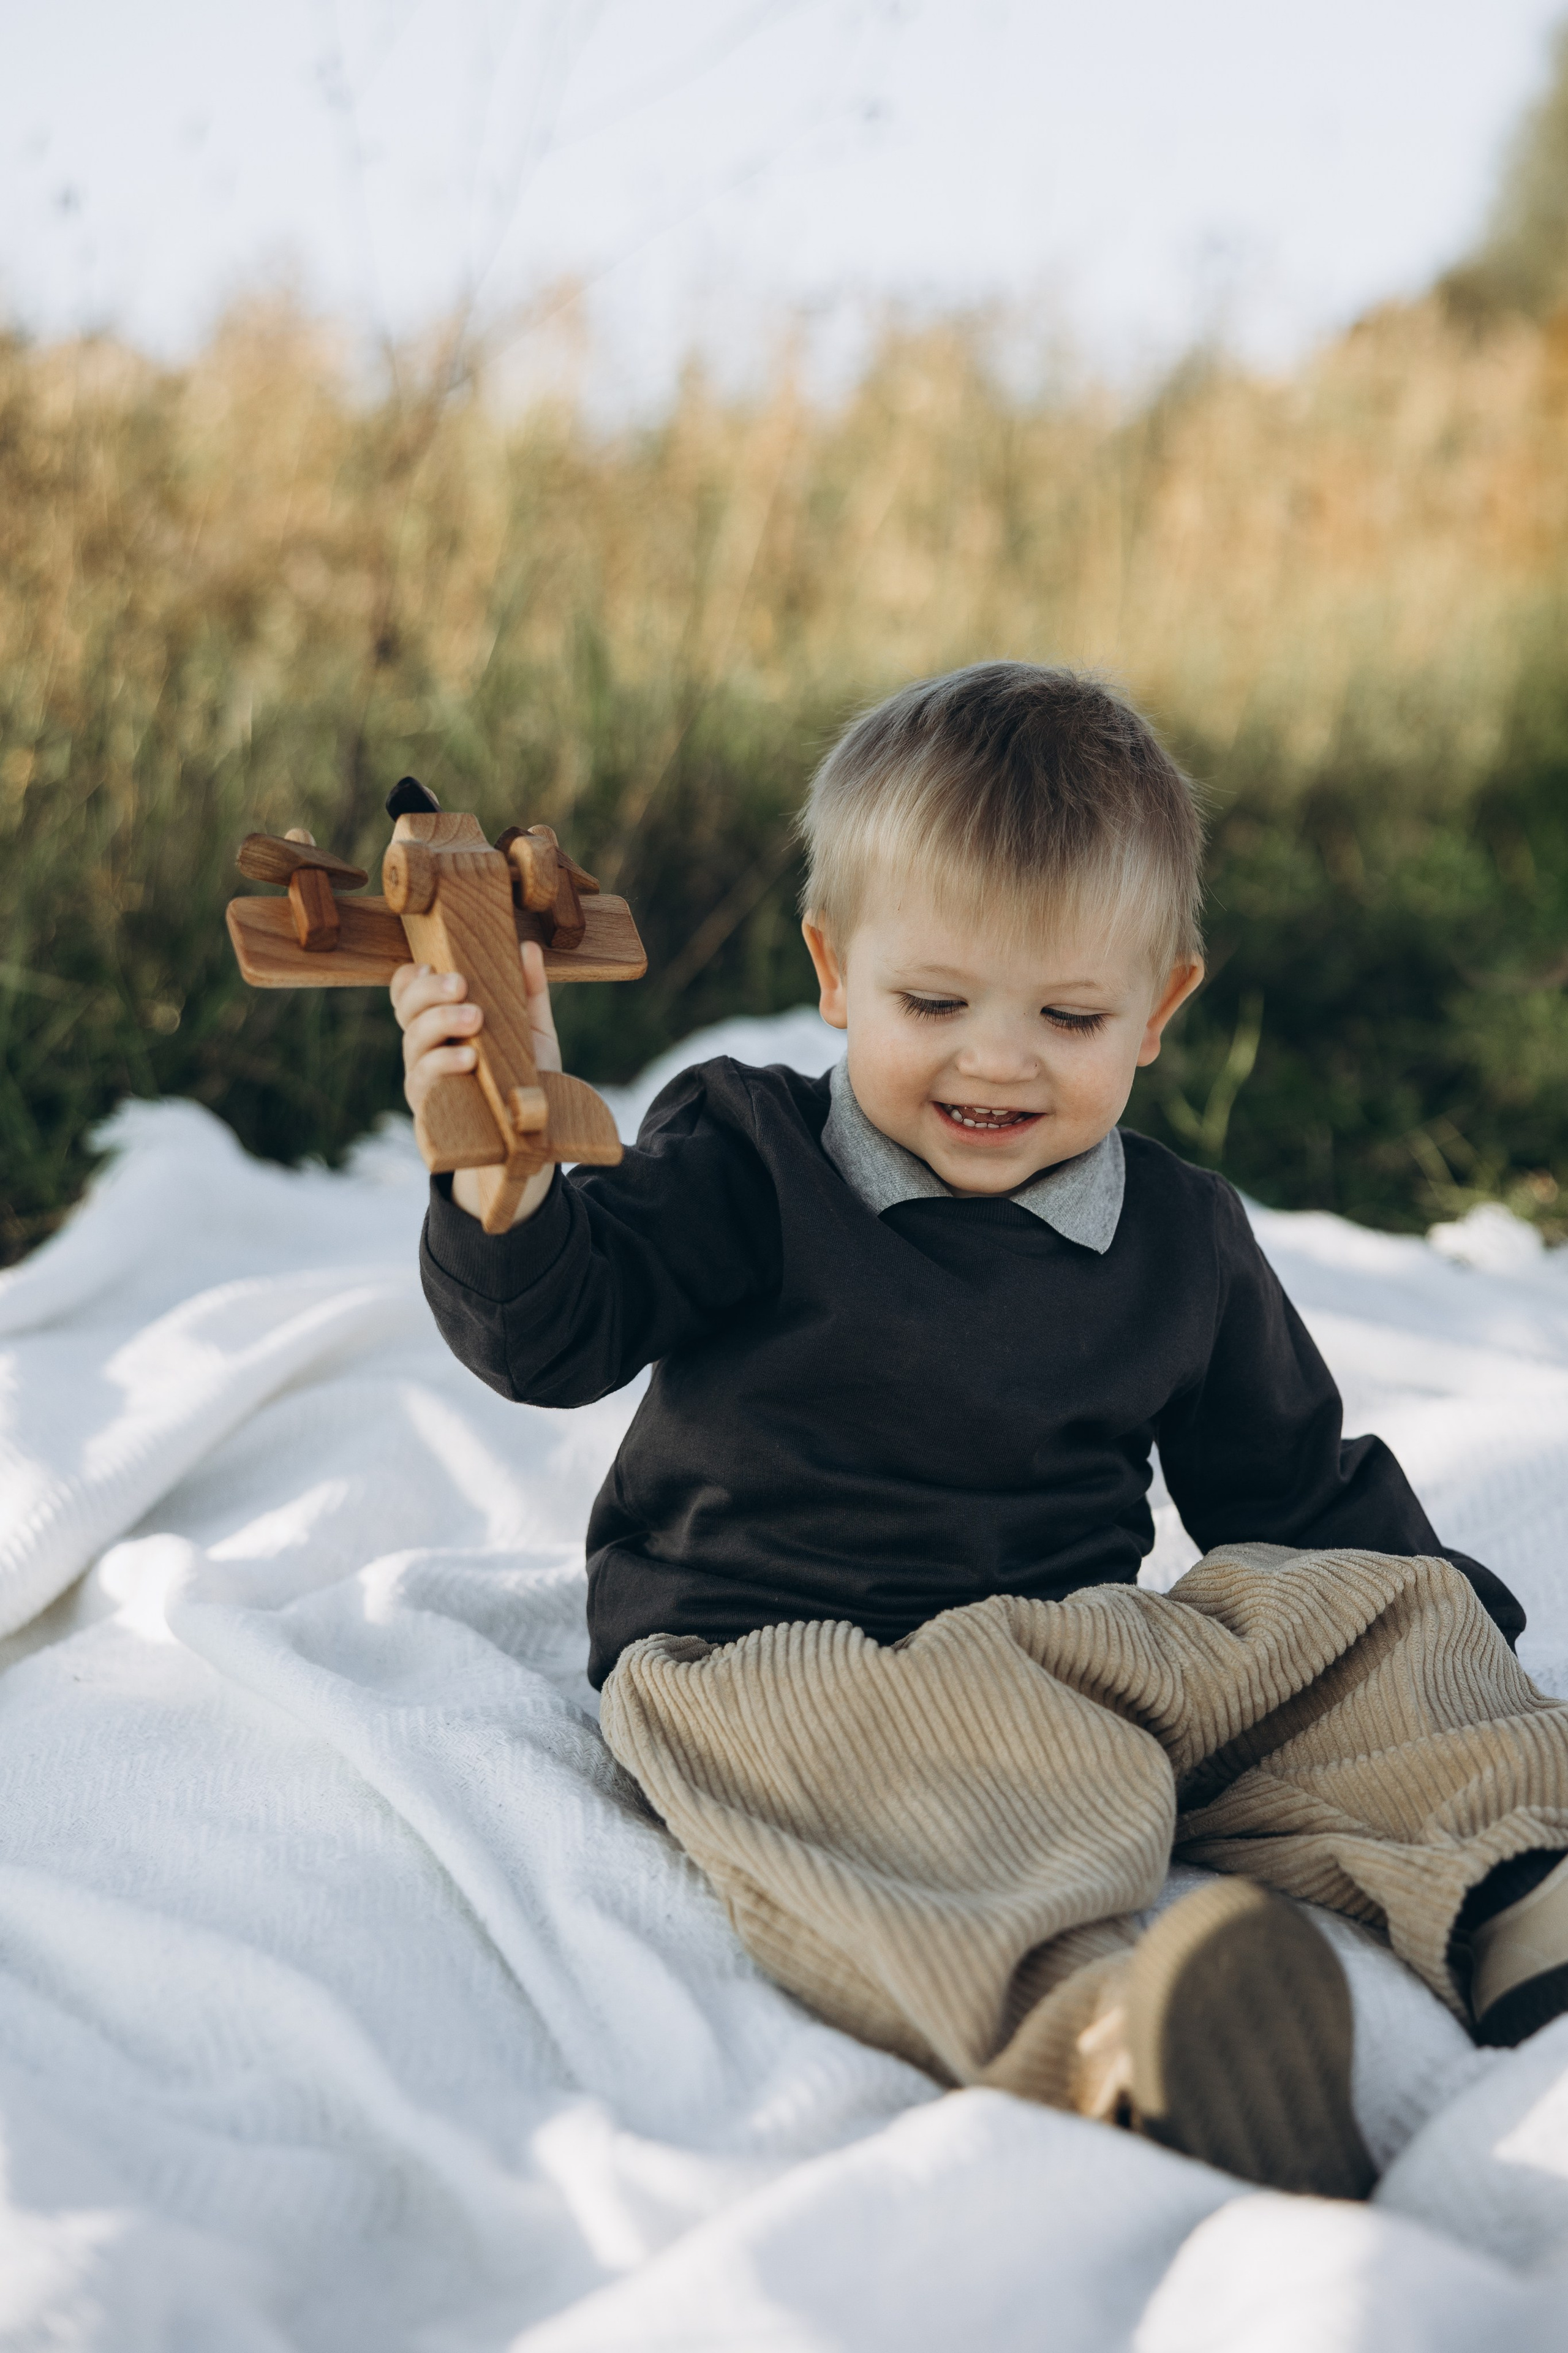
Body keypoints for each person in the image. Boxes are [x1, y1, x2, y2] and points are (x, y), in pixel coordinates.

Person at [394, 662, 1568, 2199]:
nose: (997, 1060)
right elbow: (560, 1334)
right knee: (904, 1817)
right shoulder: (750, 1151)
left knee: (1370, 1615)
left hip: (1065, 1646)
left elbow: (1285, 1485)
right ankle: (1119, 2042)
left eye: (1068, 1015)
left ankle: (1510, 1885)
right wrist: (506, 1192)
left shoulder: (1179, 1235)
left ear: (1158, 1012)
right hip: (783, 1659)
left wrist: (1424, 1637)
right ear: (834, 972)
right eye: (933, 1004)